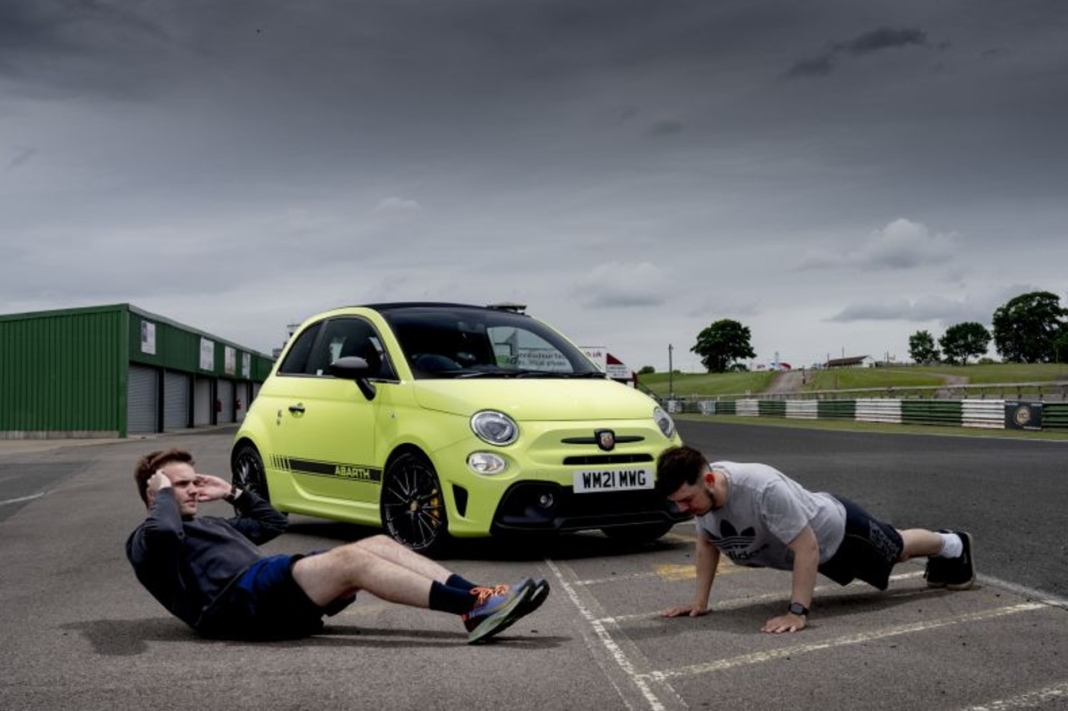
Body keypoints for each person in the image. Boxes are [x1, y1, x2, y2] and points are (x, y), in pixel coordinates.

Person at [126, 448, 549, 642]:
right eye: (181, 485)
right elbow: (163, 533)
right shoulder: (146, 538)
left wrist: (233, 492)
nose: (192, 490)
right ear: (154, 492)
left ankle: (478, 597)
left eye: (194, 482)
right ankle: (470, 606)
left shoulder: (211, 524)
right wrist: (162, 493)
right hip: (237, 602)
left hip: (269, 588)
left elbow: (274, 522)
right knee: (352, 561)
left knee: (377, 543)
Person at [654, 445, 974, 634]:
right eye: (677, 503)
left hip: (843, 531)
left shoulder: (762, 489)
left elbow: (806, 547)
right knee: (897, 550)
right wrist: (700, 603)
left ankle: (954, 544)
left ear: (709, 480)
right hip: (818, 551)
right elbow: (707, 543)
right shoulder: (702, 501)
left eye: (687, 500)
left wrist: (797, 612)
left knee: (899, 549)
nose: (684, 510)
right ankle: (946, 550)